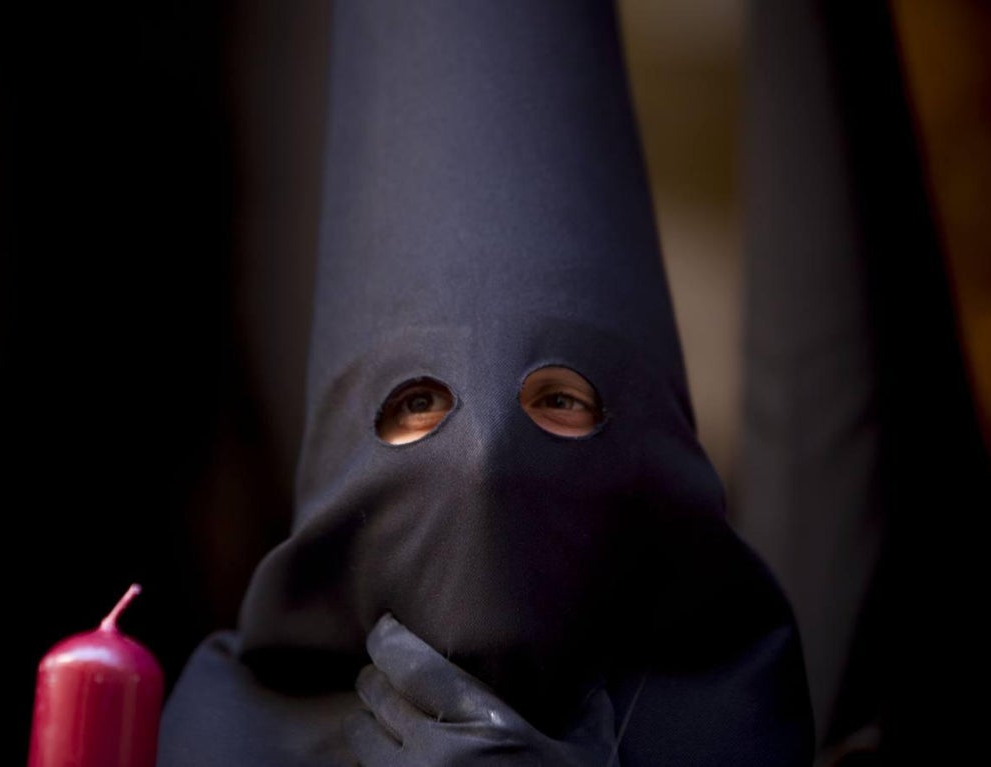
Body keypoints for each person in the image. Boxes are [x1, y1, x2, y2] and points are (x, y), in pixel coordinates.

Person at [158, 1, 815, 764]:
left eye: (558, 400)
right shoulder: (228, 736)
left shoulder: (735, 723)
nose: (485, 455)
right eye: (418, 402)